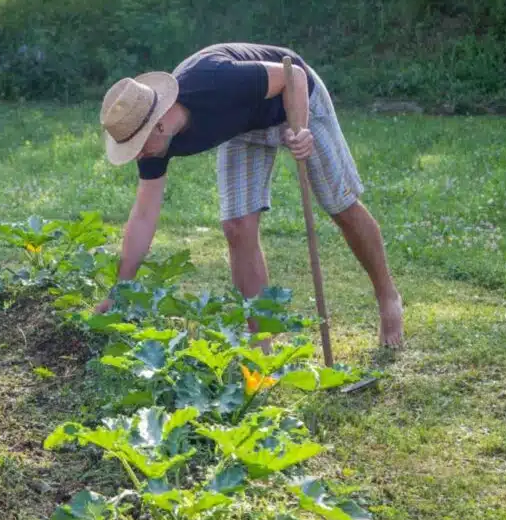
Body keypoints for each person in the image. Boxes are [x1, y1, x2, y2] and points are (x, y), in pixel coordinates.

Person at [97, 42, 403, 347]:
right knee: (237, 226)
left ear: (159, 124)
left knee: (341, 206)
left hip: (294, 99)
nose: (137, 156)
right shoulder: (154, 144)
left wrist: (301, 130)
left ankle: (388, 297)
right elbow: (144, 214)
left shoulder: (213, 81)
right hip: (242, 127)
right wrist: (120, 289)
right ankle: (261, 343)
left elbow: (292, 74)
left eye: (138, 146)